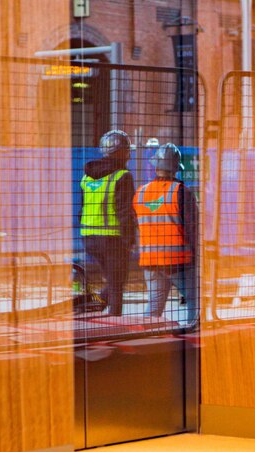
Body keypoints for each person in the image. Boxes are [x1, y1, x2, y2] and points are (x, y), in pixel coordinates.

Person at [133, 143, 198, 326]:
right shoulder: (181, 192)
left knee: (154, 305)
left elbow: (137, 223)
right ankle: (193, 334)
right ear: (176, 168)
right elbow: (192, 229)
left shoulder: (141, 192)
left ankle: (146, 337)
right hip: (178, 260)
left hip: (150, 260)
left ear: (156, 166)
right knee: (194, 299)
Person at [80, 130, 137, 316]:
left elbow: (82, 208)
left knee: (115, 280)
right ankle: (114, 320)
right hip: (112, 239)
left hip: (89, 238)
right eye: (127, 150)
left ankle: (96, 304)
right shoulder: (122, 176)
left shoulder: (87, 176)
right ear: (120, 152)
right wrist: (129, 240)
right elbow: (124, 212)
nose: (129, 154)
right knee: (117, 283)